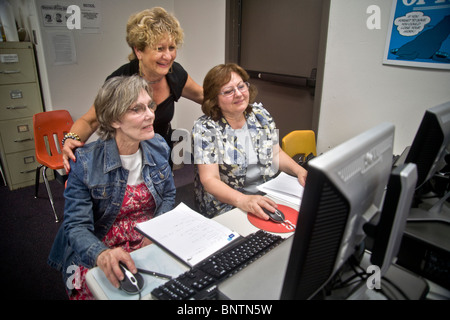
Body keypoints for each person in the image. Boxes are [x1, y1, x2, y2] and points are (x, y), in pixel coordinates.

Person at [48, 75, 176, 300]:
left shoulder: (158, 146)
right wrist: (101, 254)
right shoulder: (86, 163)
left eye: (150, 105)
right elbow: (76, 226)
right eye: (137, 109)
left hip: (148, 238)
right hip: (100, 246)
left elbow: (168, 194)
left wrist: (156, 230)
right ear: (115, 119)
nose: (150, 115)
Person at [62, 7, 203, 173]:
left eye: (171, 48)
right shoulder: (120, 80)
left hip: (161, 152)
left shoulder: (175, 74)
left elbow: (203, 96)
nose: (168, 56)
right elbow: (90, 120)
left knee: (162, 195)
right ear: (138, 50)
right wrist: (71, 138)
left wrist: (237, 98)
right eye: (160, 49)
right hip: (127, 156)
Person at [192, 63, 308, 219]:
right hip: (228, 203)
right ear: (214, 99)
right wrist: (243, 200)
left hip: (267, 194)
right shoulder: (205, 128)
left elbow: (276, 154)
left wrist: (299, 171)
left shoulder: (260, 114)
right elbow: (209, 180)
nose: (239, 94)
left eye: (241, 86)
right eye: (228, 91)